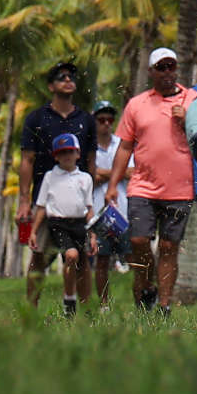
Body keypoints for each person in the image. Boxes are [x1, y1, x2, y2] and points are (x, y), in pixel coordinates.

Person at [105, 46, 197, 312]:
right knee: (138, 241)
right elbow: (124, 147)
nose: (167, 72)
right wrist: (113, 184)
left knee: (169, 246)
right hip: (142, 186)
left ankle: (164, 304)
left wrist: (188, 119)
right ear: (151, 71)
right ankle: (146, 284)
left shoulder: (192, 99)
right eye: (161, 67)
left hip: (180, 188)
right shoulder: (137, 104)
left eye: (171, 66)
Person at [16, 60, 94, 306]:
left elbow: (90, 162)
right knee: (38, 256)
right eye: (61, 77)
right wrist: (24, 201)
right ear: (51, 86)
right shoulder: (36, 118)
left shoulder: (86, 120)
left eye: (71, 76)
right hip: (45, 201)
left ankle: (86, 313)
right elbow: (27, 160)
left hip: (78, 206)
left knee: (81, 260)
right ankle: (30, 310)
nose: (68, 80)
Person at [29, 132, 95, 317]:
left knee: (81, 262)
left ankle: (80, 303)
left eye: (70, 151)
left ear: (78, 154)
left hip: (79, 224)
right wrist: (34, 231)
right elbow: (41, 206)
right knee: (71, 255)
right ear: (56, 156)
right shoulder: (50, 177)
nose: (67, 156)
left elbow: (89, 208)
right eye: (62, 152)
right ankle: (69, 299)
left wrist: (93, 233)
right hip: (58, 224)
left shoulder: (85, 178)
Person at [88, 99, 127, 306]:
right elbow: (87, 175)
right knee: (101, 259)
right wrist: (117, 173)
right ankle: (104, 304)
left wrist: (105, 174)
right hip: (97, 209)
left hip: (123, 209)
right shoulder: (88, 146)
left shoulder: (122, 143)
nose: (105, 123)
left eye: (109, 119)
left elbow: (132, 171)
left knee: (134, 255)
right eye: (101, 119)